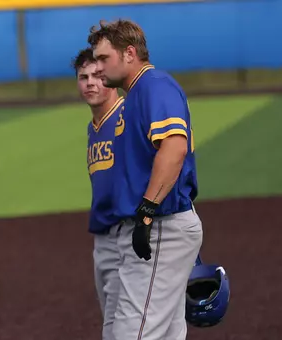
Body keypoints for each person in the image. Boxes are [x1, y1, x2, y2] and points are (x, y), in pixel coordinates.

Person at [88, 19, 203, 340]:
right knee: (162, 332)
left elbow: (174, 147)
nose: (97, 67)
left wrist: (147, 212)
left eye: (103, 58)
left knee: (132, 331)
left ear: (129, 53)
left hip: (161, 224)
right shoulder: (135, 95)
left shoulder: (154, 86)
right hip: (158, 225)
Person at [72, 47, 125, 339]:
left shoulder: (126, 117)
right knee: (112, 322)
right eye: (83, 77)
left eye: (97, 76)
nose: (90, 83)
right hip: (102, 237)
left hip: (127, 235)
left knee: (123, 327)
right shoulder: (94, 128)